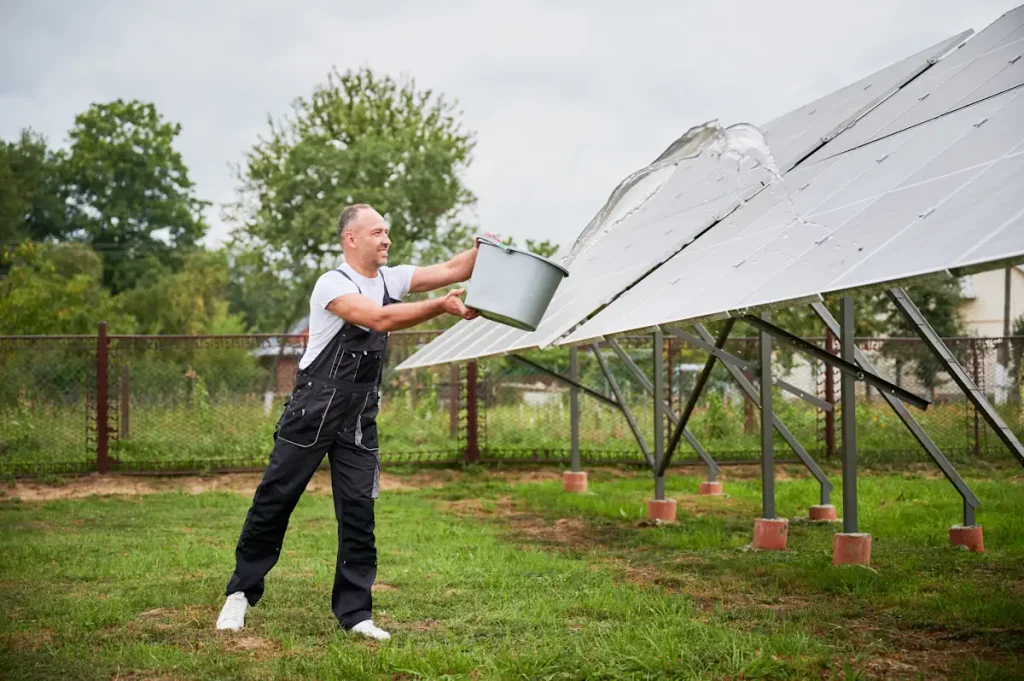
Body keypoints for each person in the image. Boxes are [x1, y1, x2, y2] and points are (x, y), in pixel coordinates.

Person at [216, 204, 482, 640]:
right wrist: (441, 307)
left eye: (388, 232)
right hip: (312, 412)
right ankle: (240, 594)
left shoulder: (391, 279)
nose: (387, 240)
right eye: (378, 232)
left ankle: (356, 614)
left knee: (359, 512)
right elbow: (376, 318)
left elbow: (453, 268)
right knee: (275, 501)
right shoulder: (332, 284)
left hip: (358, 418)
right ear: (351, 238)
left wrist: (482, 252)